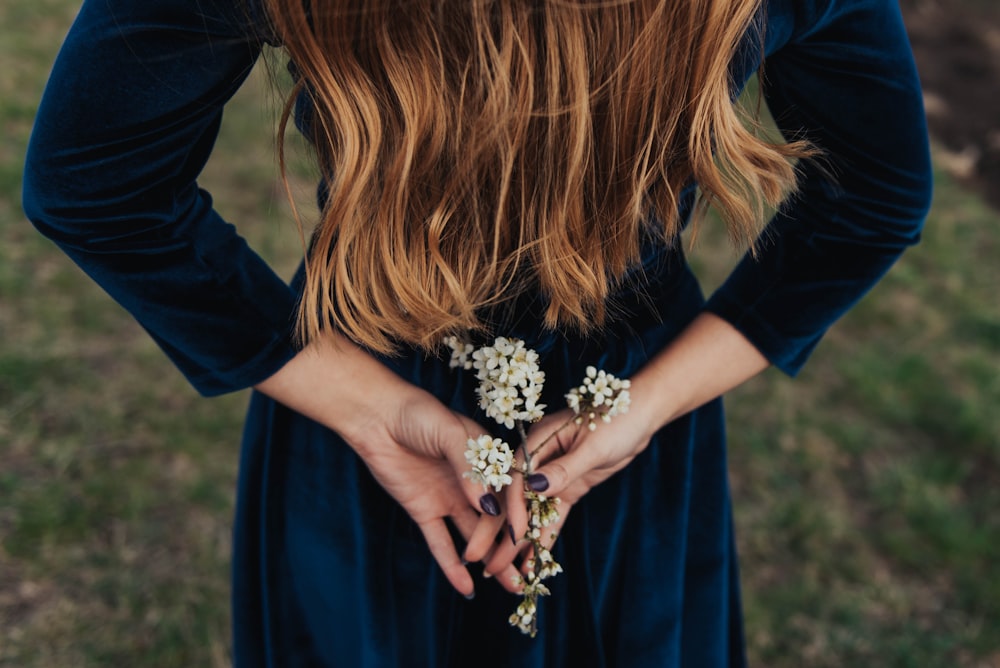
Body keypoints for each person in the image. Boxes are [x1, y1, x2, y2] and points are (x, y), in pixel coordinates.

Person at [23, 0, 932, 665]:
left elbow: (96, 182)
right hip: (601, 402)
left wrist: (369, 409)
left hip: (364, 373)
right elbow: (874, 198)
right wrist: (644, 406)